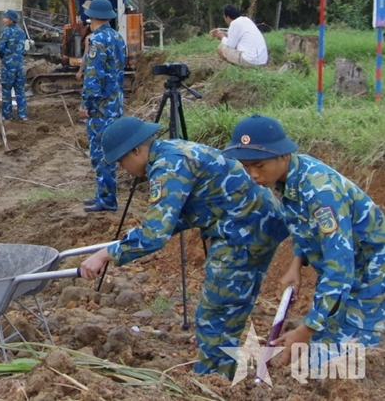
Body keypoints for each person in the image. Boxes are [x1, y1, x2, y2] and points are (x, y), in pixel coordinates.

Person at [79, 116, 288, 376]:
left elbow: (155, 235)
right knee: (228, 306)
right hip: (253, 223)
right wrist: (128, 241)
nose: (123, 168)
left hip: (243, 231)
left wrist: (106, 254)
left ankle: (213, 378)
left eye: (122, 161)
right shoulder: (171, 151)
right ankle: (223, 362)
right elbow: (180, 215)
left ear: (136, 150)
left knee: (216, 312)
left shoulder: (168, 166)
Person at [223, 115, 385, 364]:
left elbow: (340, 267)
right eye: (246, 167)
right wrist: (295, 265)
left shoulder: (321, 193)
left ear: (282, 156)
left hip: (372, 273)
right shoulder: (291, 179)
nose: (252, 174)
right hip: (350, 271)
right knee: (322, 349)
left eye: (259, 165)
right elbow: (304, 226)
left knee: (350, 362)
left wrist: (306, 330)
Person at [77, 0, 126, 213]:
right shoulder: (117, 37)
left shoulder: (97, 40)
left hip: (100, 106)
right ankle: (102, 194)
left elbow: (93, 76)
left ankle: (107, 200)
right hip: (115, 102)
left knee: (100, 152)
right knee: (106, 150)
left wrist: (86, 102)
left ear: (93, 16)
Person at [0, 9, 28, 122]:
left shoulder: (6, 32)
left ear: (11, 20)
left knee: (6, 91)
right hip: (19, 65)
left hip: (8, 66)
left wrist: (4, 58)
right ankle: (23, 115)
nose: (4, 19)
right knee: (20, 90)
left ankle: (7, 115)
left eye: (6, 18)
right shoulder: (21, 32)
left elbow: (0, 49)